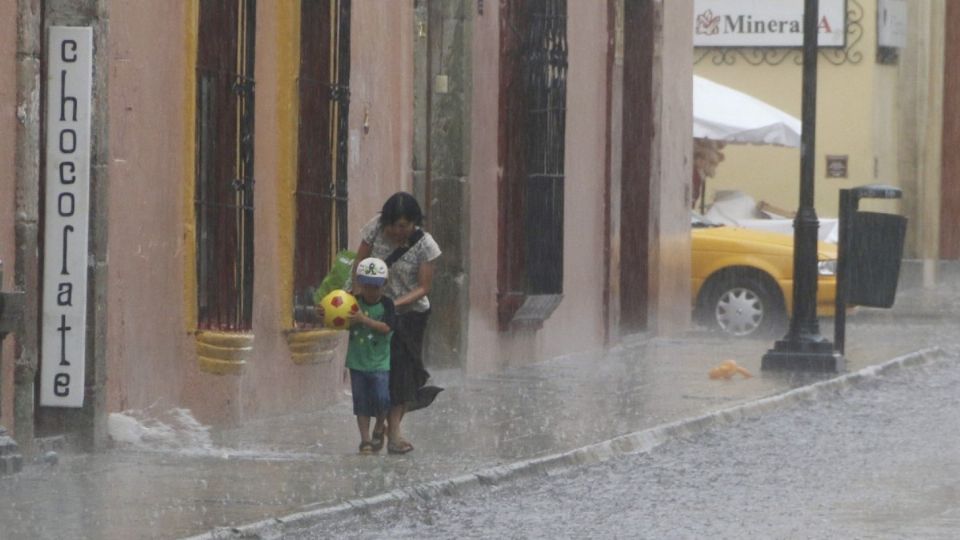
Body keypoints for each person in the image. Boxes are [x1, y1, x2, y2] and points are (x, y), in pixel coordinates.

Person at [353, 192, 441, 454]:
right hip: (372, 314)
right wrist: (360, 299)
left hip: (410, 316)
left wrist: (393, 305)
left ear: (415, 223)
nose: (398, 231)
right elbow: (360, 264)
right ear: (386, 222)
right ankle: (378, 426)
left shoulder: (426, 245)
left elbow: (424, 287)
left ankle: (394, 433)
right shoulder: (374, 229)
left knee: (402, 375)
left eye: (405, 226)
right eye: (394, 225)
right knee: (379, 372)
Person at [320, 257, 396, 454]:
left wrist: (363, 319)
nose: (371, 291)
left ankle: (379, 428)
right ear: (361, 284)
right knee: (361, 404)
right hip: (357, 362)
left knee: (382, 400)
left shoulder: (388, 305)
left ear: (384, 285)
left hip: (380, 363)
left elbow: (387, 328)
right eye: (367, 286)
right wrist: (323, 313)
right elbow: (336, 317)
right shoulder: (351, 301)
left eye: (376, 287)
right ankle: (365, 441)